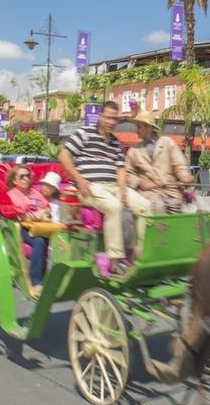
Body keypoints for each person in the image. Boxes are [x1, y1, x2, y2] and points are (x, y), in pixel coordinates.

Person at [58, 101, 152, 275]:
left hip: (113, 186)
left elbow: (121, 168)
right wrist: (79, 180)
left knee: (145, 206)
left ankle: (141, 253)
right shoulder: (84, 134)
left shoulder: (116, 143)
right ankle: (114, 260)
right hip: (90, 186)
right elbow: (64, 156)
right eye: (108, 118)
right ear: (100, 116)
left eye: (114, 119)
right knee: (114, 207)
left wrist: (123, 189)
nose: (110, 122)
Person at [6, 165, 63, 297]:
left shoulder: (34, 192)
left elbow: (47, 207)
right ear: (15, 181)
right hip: (24, 227)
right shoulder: (12, 194)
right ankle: (36, 281)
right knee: (39, 242)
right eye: (22, 176)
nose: (26, 179)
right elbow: (18, 214)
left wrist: (44, 214)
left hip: (43, 225)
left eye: (28, 176)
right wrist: (36, 215)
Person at [124, 110, 192, 214]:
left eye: (139, 127)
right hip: (148, 192)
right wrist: (139, 182)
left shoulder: (167, 142)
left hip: (170, 189)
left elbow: (179, 164)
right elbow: (128, 172)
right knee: (159, 206)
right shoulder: (134, 150)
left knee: (177, 204)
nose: (137, 131)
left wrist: (184, 176)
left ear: (148, 127)